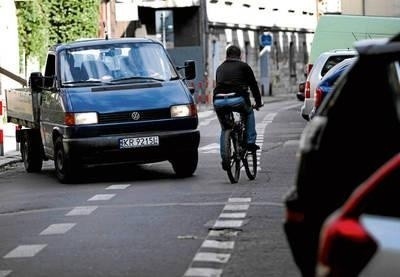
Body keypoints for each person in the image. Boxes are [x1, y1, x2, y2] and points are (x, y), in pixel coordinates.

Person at [213, 44, 263, 169]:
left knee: (225, 128)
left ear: (227, 55)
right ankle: (250, 142)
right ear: (240, 55)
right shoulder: (244, 66)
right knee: (249, 112)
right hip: (237, 99)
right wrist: (258, 102)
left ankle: (225, 158)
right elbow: (253, 85)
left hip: (218, 101)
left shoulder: (219, 68)